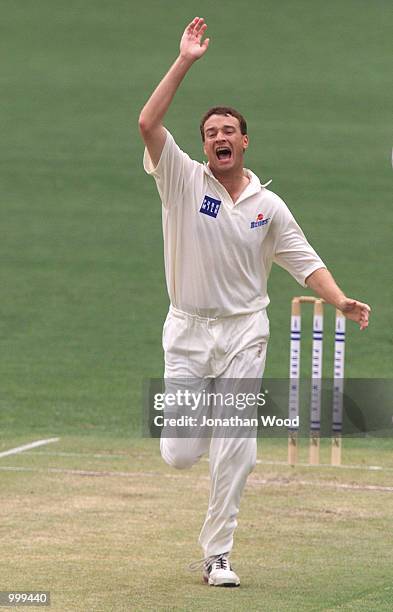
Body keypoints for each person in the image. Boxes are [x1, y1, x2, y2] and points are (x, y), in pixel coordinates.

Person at [138, 17, 371, 587]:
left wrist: (340, 301)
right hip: (188, 332)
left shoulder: (270, 206)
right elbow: (148, 121)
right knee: (180, 455)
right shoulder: (182, 180)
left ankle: (218, 555)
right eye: (210, 131)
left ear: (244, 141)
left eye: (228, 130)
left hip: (245, 330)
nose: (219, 137)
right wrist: (186, 59)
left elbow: (305, 262)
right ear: (203, 145)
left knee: (236, 444)